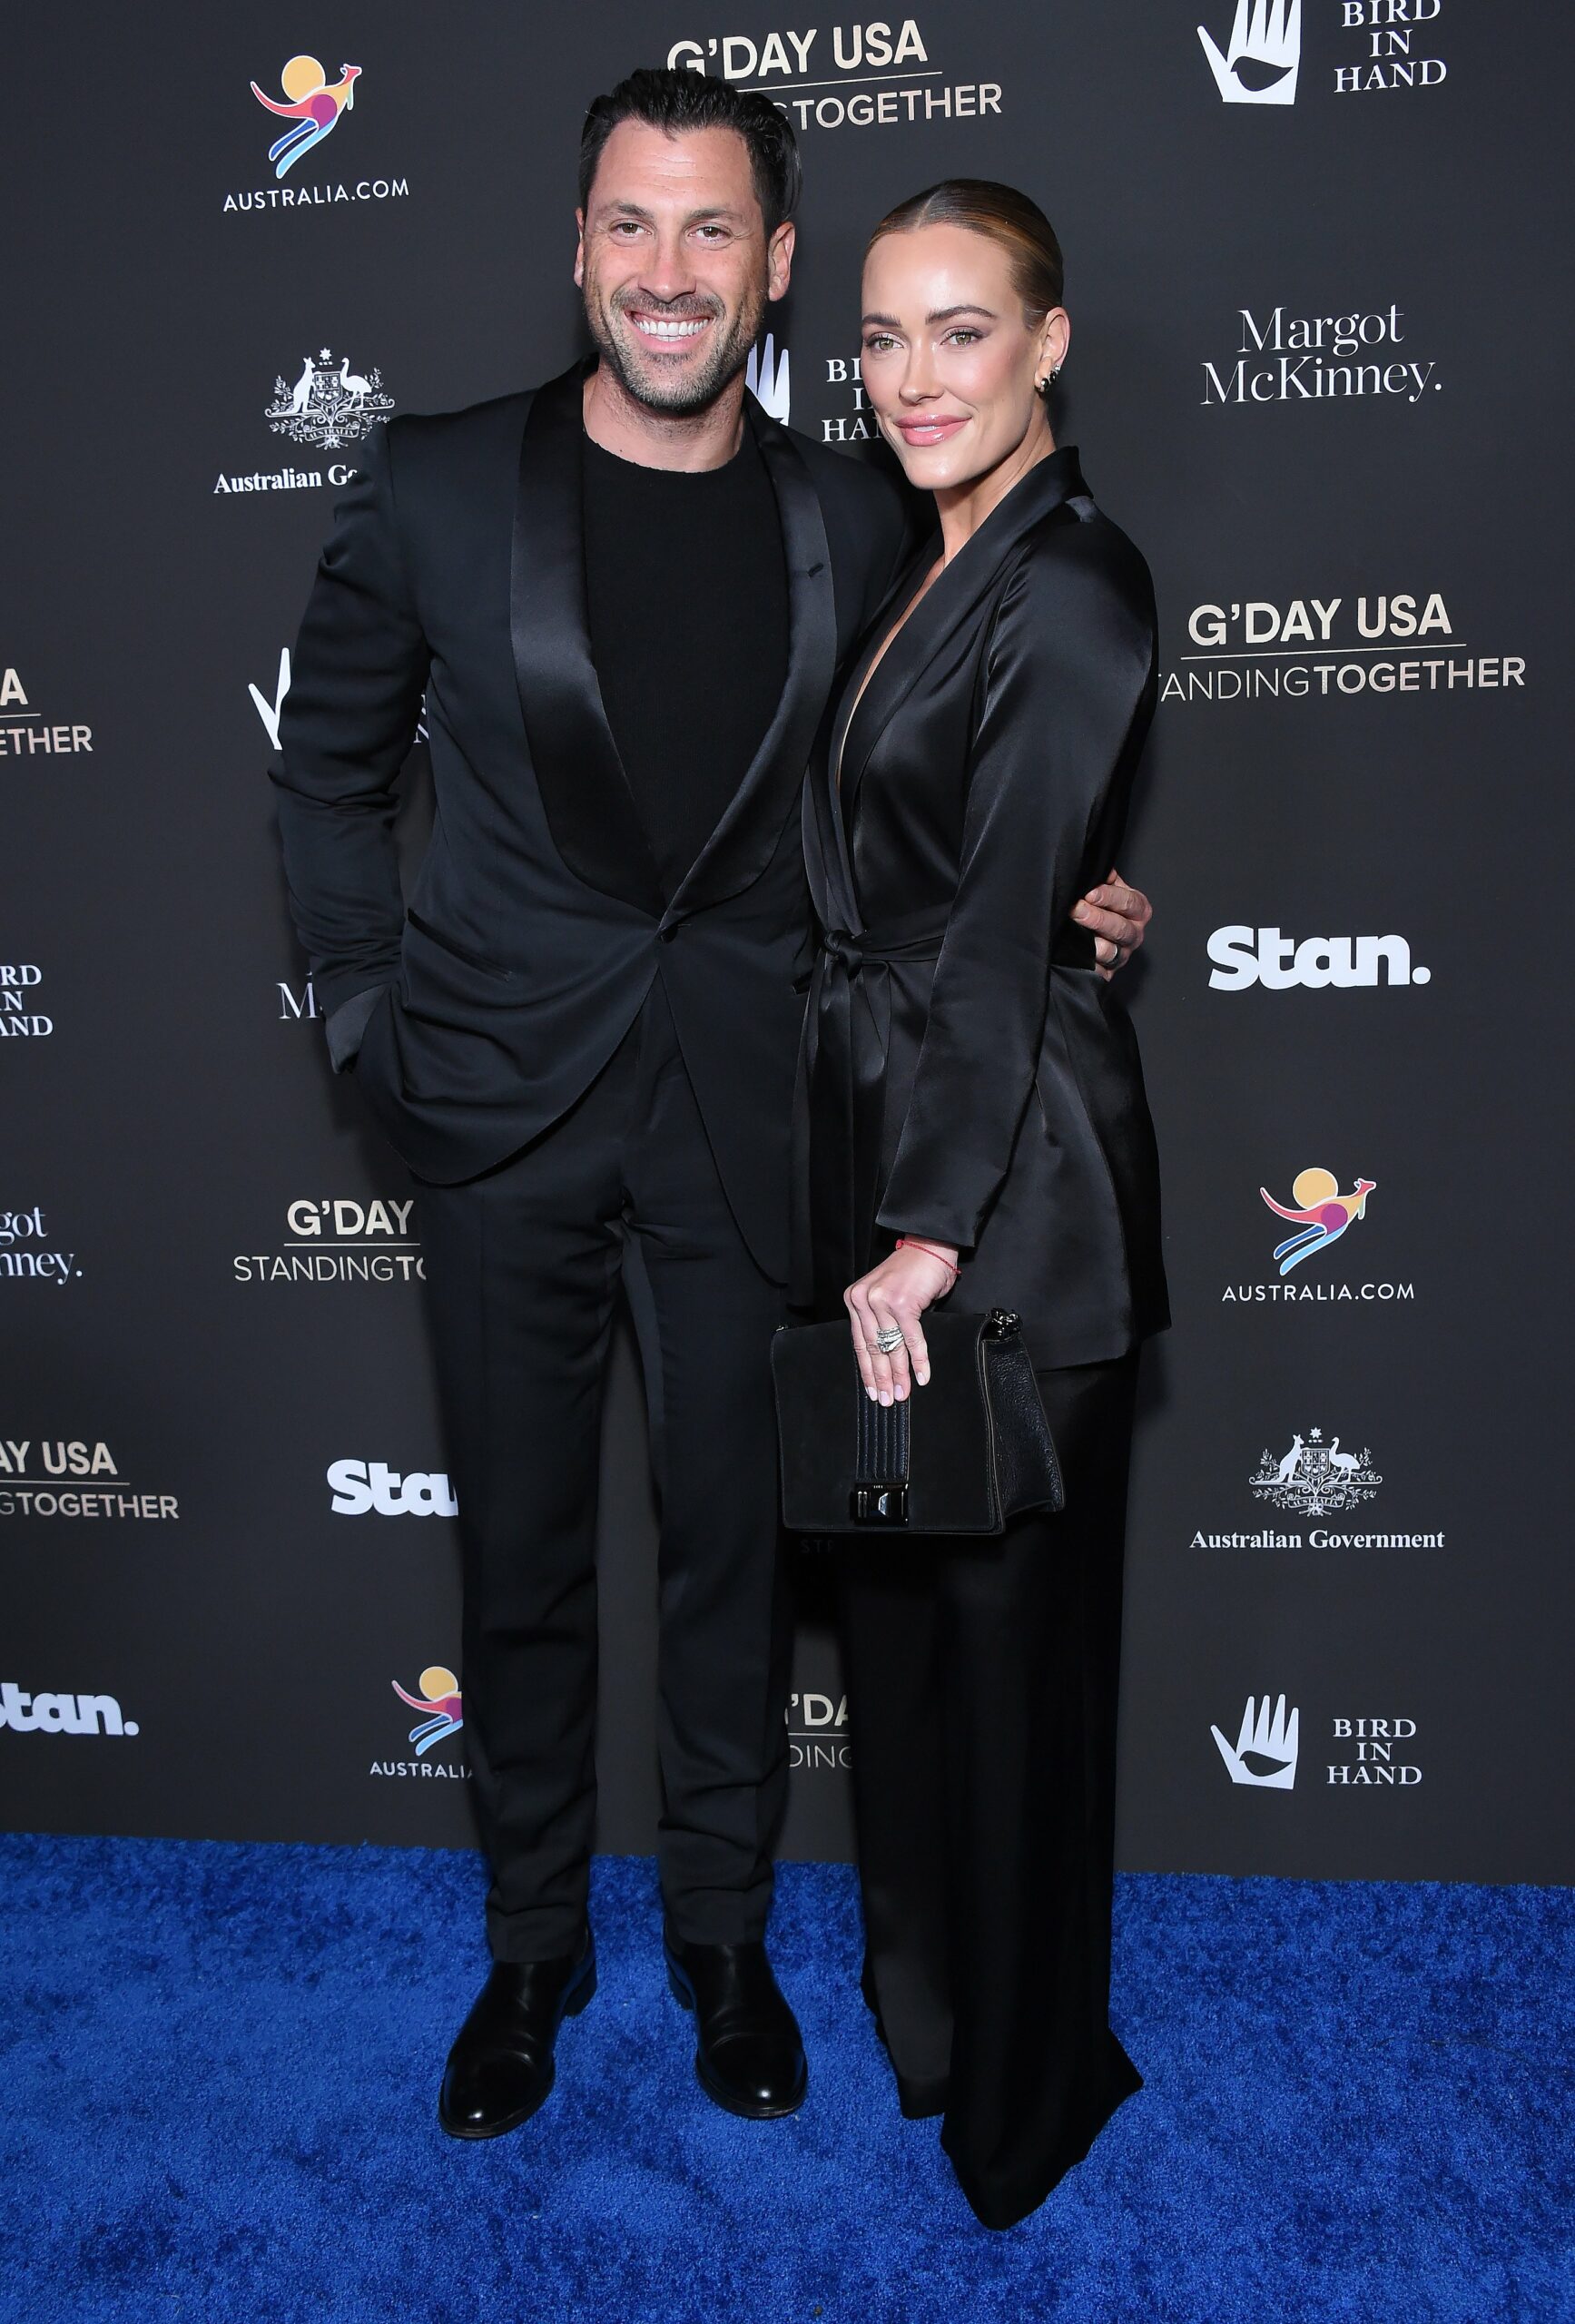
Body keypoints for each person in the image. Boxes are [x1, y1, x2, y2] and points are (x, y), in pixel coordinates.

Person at [274, 72, 1153, 2144]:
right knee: (517, 1553)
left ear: (771, 267)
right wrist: (361, 1026)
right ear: (579, 247)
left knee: (733, 1568)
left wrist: (1060, 917)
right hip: (488, 1103)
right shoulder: (427, 487)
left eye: (711, 233)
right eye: (627, 225)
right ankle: (527, 1949)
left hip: (757, 1119)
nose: (666, 272)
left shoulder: (855, 512)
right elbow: (321, 780)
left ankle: (721, 1937)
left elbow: (938, 788)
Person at [795, 180, 1167, 2229]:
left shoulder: (1074, 582)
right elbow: (960, 881)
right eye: (878, 334)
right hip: (900, 1169)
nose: (912, 375)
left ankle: (1028, 2099)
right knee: (916, 1655)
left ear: (1046, 344)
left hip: (1009, 1216)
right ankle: (935, 2027)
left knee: (1015, 1673)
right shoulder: (930, 563)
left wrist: (925, 1234)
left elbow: (1013, 907)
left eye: (959, 330)